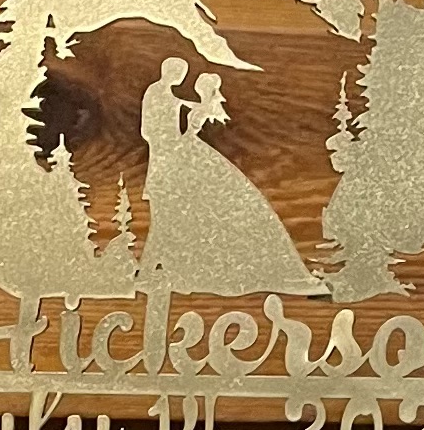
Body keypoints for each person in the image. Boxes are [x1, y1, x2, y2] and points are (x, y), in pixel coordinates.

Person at [138, 58, 322, 299]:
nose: (180, 77)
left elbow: (180, 108)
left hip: (175, 161)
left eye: (181, 73)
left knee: (173, 216)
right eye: (177, 72)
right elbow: (152, 129)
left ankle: (156, 272)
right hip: (167, 164)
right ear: (167, 71)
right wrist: (179, 136)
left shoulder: (170, 99)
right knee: (166, 216)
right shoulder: (157, 94)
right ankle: (150, 272)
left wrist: (199, 110)